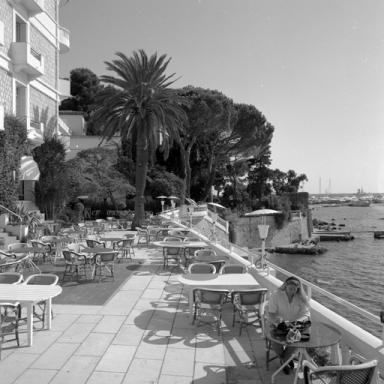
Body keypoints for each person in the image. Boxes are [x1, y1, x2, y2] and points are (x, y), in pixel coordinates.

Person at [268, 276, 311, 374]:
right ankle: (286, 359)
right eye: (290, 288)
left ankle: (284, 360)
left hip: (294, 326)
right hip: (278, 325)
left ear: (298, 289)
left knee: (295, 342)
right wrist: (278, 321)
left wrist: (298, 322)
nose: (292, 291)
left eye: (295, 289)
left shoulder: (301, 298)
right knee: (276, 344)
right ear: (285, 286)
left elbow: (306, 314)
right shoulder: (276, 295)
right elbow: (271, 313)